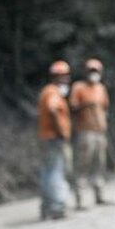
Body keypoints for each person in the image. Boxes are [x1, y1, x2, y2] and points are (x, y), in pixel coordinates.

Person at [69, 58, 110, 208]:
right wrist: (86, 105)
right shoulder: (78, 87)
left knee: (100, 163)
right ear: (86, 72)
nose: (94, 74)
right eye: (91, 71)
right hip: (84, 132)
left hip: (100, 132)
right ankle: (80, 199)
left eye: (96, 71)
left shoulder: (101, 88)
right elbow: (72, 107)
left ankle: (99, 195)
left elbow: (105, 108)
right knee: (82, 165)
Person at [37, 60, 72, 220]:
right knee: (57, 172)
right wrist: (62, 132)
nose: (65, 79)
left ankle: (46, 207)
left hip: (46, 138)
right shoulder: (53, 92)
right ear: (54, 77)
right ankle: (57, 208)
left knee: (47, 172)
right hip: (55, 138)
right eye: (61, 76)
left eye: (66, 76)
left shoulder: (47, 91)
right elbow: (53, 109)